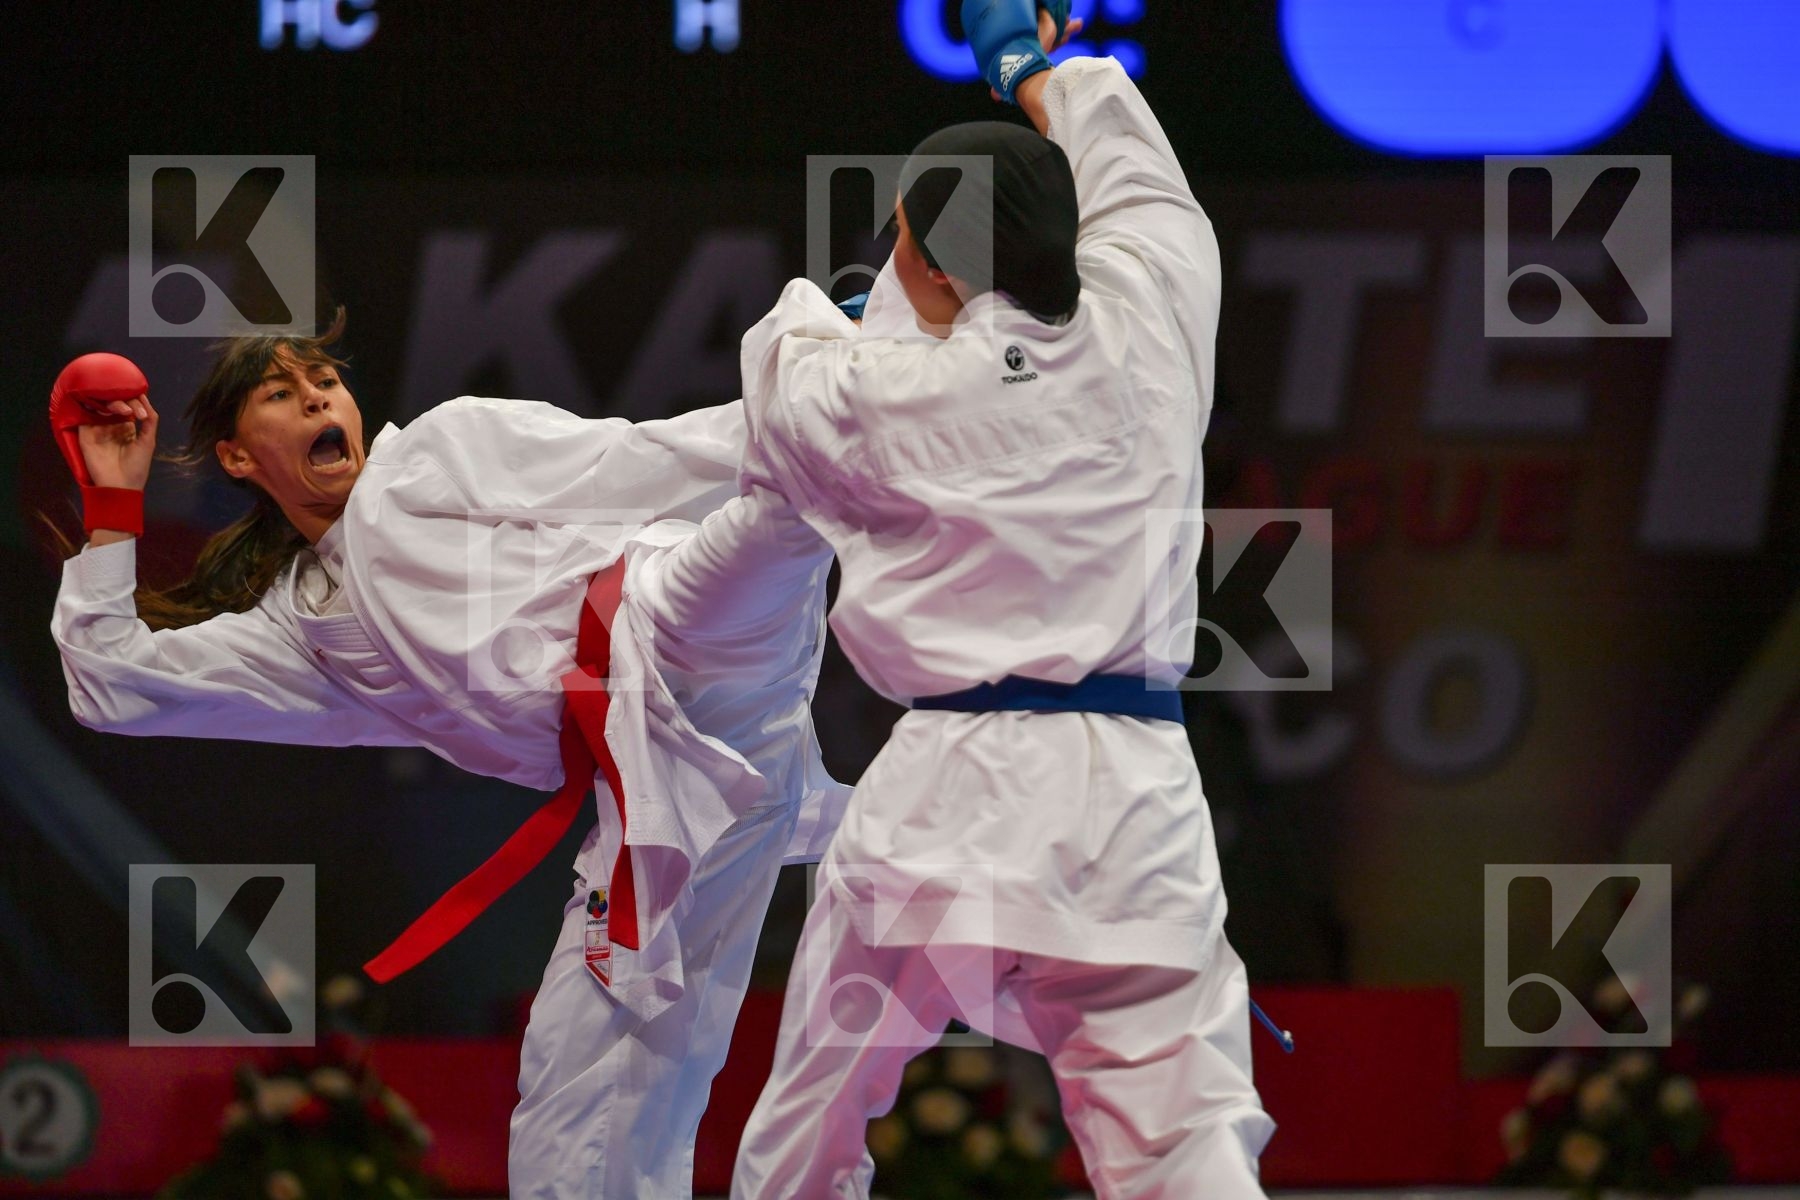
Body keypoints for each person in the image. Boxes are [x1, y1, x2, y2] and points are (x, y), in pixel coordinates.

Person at [47, 312, 847, 1198]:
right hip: (681, 793)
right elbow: (113, 685)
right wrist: (113, 501)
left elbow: (637, 458)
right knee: (572, 1102)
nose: (318, 394)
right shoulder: (305, 632)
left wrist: (775, 430)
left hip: (672, 628)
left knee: (783, 496)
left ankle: (871, 363)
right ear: (239, 458)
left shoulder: (438, 450)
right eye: (282, 393)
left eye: (324, 380)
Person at [728, 2, 1275, 1195]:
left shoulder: (883, 391)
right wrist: (1030, 65)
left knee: (812, 1121)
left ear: (924, 262)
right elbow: (1129, 157)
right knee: (1188, 1148)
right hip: (1133, 811)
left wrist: (850, 294)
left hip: (944, 808)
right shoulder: (1155, 306)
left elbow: (788, 365)